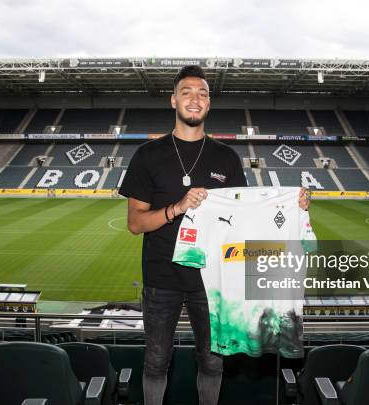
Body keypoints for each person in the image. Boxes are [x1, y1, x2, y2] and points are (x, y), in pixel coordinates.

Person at [119, 65, 309, 405]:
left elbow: (248, 217)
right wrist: (176, 208)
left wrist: (294, 205)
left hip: (214, 282)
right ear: (173, 100)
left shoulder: (227, 157)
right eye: (187, 92)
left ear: (209, 103)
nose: (195, 99)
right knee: (156, 361)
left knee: (212, 361)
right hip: (161, 277)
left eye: (203, 93)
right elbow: (135, 223)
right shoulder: (148, 155)